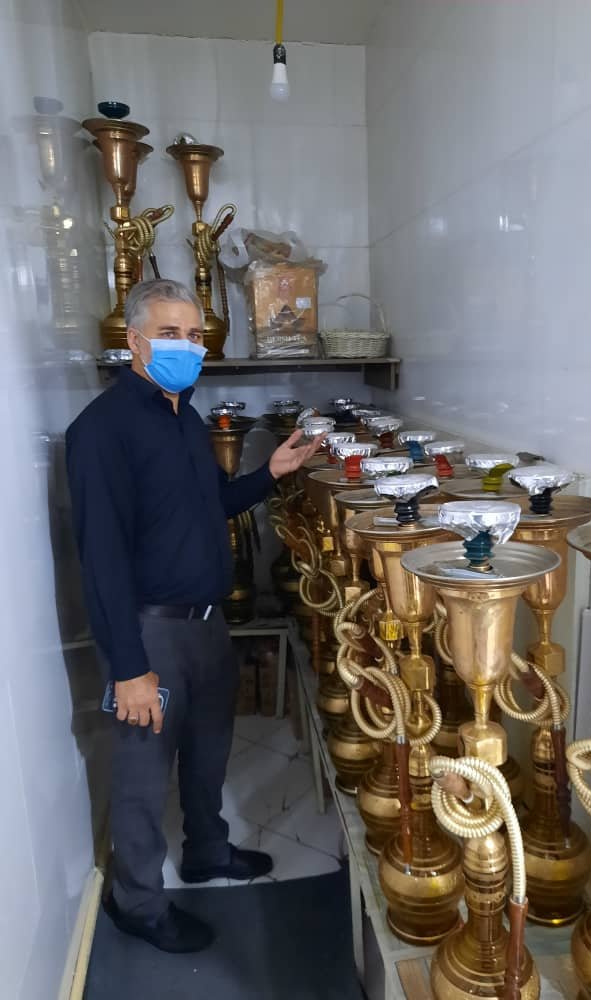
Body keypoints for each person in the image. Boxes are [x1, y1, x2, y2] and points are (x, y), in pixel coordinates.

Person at [66, 279, 323, 954]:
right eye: (170, 334)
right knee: (143, 774)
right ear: (135, 342)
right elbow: (102, 559)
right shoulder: (102, 430)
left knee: (209, 750)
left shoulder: (185, 415)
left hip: (207, 622)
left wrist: (271, 473)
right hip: (148, 630)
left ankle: (207, 851)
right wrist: (130, 670)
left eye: (195, 336)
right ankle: (139, 904)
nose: (187, 346)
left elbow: (214, 504)